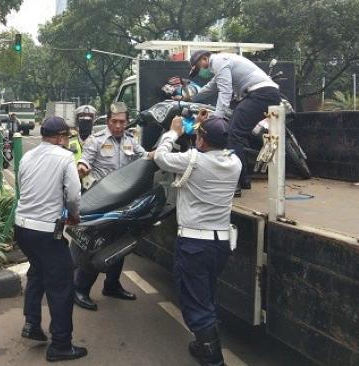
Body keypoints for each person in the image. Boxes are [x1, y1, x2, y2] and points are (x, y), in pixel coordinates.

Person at [150, 115, 241, 366]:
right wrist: (205, 124)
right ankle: (203, 346)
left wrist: (173, 132)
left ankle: (213, 360)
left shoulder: (194, 161)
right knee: (206, 295)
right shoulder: (234, 162)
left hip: (194, 245)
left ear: (201, 140)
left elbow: (160, 156)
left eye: (199, 135)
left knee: (195, 302)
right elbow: (206, 150)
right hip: (220, 243)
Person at [14, 116, 88, 362]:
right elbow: (75, 195)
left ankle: (32, 323)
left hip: (22, 228)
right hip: (46, 232)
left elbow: (24, 188)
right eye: (66, 137)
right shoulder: (66, 157)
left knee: (38, 272)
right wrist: (74, 216)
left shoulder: (27, 156)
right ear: (59, 137)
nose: (67, 142)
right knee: (61, 284)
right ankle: (61, 344)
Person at [74, 102, 146, 311]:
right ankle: (80, 289)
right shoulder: (95, 141)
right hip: (100, 203)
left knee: (119, 245)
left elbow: (145, 157)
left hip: (123, 203)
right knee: (95, 247)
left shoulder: (131, 141)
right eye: (114, 121)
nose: (118, 125)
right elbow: (85, 162)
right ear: (107, 121)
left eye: (122, 122)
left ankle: (112, 285)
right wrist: (81, 168)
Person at [187, 50, 281, 196]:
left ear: (204, 58)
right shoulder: (221, 63)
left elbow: (225, 90)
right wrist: (189, 99)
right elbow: (211, 87)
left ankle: (236, 183)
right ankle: (243, 180)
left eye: (200, 67)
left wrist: (217, 118)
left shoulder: (219, 61)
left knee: (231, 134)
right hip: (258, 94)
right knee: (234, 134)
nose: (201, 71)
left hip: (261, 94)